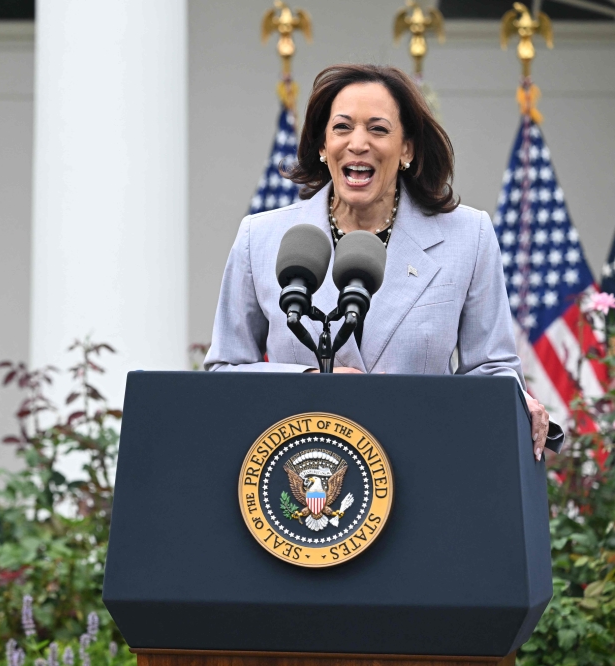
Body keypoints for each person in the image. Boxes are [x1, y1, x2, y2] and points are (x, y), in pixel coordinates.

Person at [204, 63, 560, 458]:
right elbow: (224, 373)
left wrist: (514, 399)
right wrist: (311, 377)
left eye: (378, 129)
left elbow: (493, 369)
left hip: (425, 465)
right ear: (323, 146)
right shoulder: (261, 238)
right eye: (342, 127)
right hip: (305, 479)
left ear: (407, 148)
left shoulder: (468, 236)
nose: (358, 143)